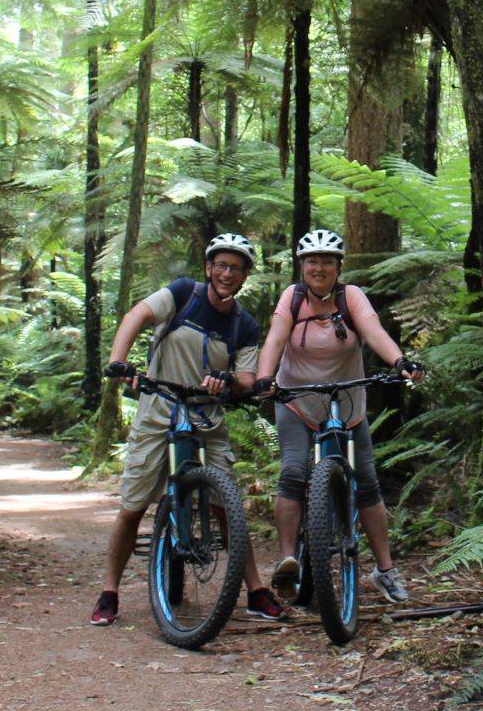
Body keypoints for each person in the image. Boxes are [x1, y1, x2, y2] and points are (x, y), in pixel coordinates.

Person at [88, 232, 288, 626]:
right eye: (222, 265)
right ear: (209, 267)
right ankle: (109, 592)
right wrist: (119, 361)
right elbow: (137, 316)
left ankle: (255, 591)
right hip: (159, 408)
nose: (227, 273)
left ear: (246, 275)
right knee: (133, 506)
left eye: (237, 268)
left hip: (206, 415)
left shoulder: (243, 325)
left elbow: (248, 379)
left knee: (227, 506)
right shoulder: (183, 294)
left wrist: (227, 381)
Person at [254, 228, 422, 605]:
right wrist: (265, 378)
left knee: (366, 481)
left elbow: (375, 333)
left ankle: (385, 570)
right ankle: (288, 560)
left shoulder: (352, 297)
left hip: (346, 403)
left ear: (337, 267)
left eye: (326, 261)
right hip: (296, 400)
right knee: (293, 472)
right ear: (302, 266)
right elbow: (275, 341)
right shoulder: (292, 299)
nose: (319, 267)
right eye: (312, 261)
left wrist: (399, 361)